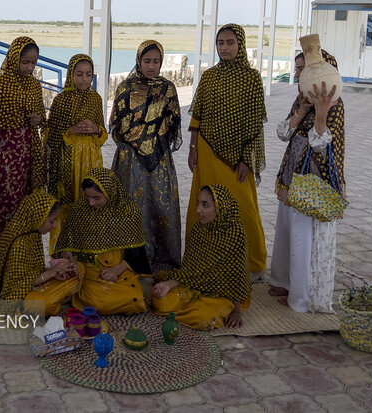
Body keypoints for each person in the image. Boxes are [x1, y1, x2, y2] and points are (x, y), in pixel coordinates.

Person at [187, 24, 267, 280]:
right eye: (220, 43)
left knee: (243, 206)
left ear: (240, 45)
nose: (224, 48)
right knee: (204, 204)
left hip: (237, 158)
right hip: (207, 151)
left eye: (230, 42)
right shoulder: (209, 76)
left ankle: (251, 264)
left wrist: (246, 158)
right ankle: (202, 259)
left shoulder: (252, 78)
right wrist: (192, 147)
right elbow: (198, 114)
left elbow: (255, 122)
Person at [268, 50, 345, 313]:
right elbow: (283, 132)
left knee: (302, 237)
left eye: (302, 69)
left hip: (313, 178)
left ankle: (300, 298)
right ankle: (282, 281)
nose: (298, 74)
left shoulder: (335, 105)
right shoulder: (301, 100)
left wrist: (321, 114)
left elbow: (322, 146)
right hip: (292, 171)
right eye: (297, 68)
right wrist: (302, 109)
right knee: (286, 230)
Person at [110, 40, 182, 273]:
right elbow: (116, 125)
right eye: (147, 61)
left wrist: (153, 138)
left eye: (156, 61)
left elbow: (174, 121)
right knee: (131, 207)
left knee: (159, 207)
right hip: (130, 159)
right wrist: (138, 140)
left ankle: (161, 262)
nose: (151, 66)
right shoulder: (125, 87)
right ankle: (129, 263)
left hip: (159, 158)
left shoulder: (168, 88)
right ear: (139, 61)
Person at [0, 36, 46, 275]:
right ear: (14, 57)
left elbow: (41, 117)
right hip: (9, 151)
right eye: (25, 62)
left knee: (29, 201)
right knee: (6, 201)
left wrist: (39, 119)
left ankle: (24, 253)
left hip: (32, 149)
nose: (29, 68)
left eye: (33, 63)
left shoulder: (35, 85)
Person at [53, 167, 151, 315]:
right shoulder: (80, 209)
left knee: (129, 298)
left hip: (117, 271)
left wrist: (116, 270)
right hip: (87, 271)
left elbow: (136, 253)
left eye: (96, 198)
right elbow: (66, 244)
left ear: (110, 193)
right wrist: (71, 261)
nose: (91, 203)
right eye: (88, 197)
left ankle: (78, 296)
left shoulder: (128, 211)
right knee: (95, 300)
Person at [153, 185, 252, 330]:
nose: (198, 210)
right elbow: (189, 269)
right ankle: (191, 309)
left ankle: (212, 309)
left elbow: (238, 276)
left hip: (222, 294)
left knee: (202, 318)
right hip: (194, 286)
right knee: (160, 301)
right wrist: (169, 284)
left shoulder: (235, 234)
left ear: (220, 207)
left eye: (205, 205)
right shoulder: (198, 229)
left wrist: (236, 311)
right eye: (198, 203)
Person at [46, 54, 107, 252]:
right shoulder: (61, 100)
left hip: (90, 159)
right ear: (71, 74)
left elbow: (103, 133)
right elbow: (50, 135)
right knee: (68, 204)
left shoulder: (95, 99)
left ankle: (88, 251)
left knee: (89, 199)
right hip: (68, 161)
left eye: (89, 75)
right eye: (79, 74)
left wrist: (96, 129)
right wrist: (70, 131)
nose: (84, 79)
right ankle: (64, 252)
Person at [0, 190, 79, 316]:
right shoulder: (19, 244)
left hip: (33, 286)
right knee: (45, 303)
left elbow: (31, 271)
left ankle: (61, 299)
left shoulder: (32, 233)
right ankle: (60, 300)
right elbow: (16, 286)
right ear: (38, 217)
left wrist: (56, 272)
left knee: (78, 269)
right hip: (17, 298)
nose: (55, 225)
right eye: (52, 221)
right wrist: (51, 272)